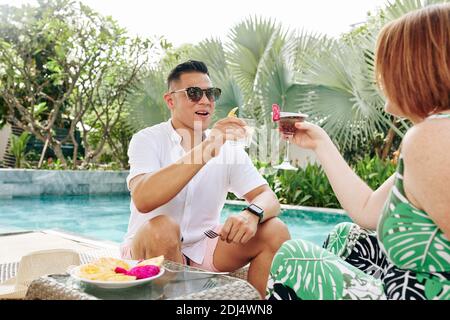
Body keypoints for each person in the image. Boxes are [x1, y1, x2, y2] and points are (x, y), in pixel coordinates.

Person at [267, 4, 450, 300]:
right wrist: (320, 143)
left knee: (293, 256)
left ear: (414, 68)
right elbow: (367, 211)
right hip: (414, 281)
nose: (379, 77)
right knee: (347, 237)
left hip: (422, 293)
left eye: (385, 65)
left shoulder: (430, 138)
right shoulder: (436, 133)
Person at [121, 60, 291, 297]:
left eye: (211, 93)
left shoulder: (226, 146)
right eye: (194, 93)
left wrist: (251, 214)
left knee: (275, 229)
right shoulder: (148, 139)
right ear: (171, 100)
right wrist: (208, 147)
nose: (205, 100)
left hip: (204, 248)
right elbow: (143, 198)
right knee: (162, 229)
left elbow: (268, 197)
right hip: (149, 249)